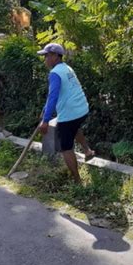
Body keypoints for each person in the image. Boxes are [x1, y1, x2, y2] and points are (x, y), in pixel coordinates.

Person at [37, 43, 95, 183]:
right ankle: (87, 151)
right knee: (74, 128)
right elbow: (55, 95)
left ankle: (77, 180)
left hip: (70, 112)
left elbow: (53, 97)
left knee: (66, 148)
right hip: (82, 108)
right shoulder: (67, 68)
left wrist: (45, 121)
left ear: (56, 56)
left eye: (47, 56)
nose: (45, 59)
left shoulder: (55, 73)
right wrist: (46, 111)